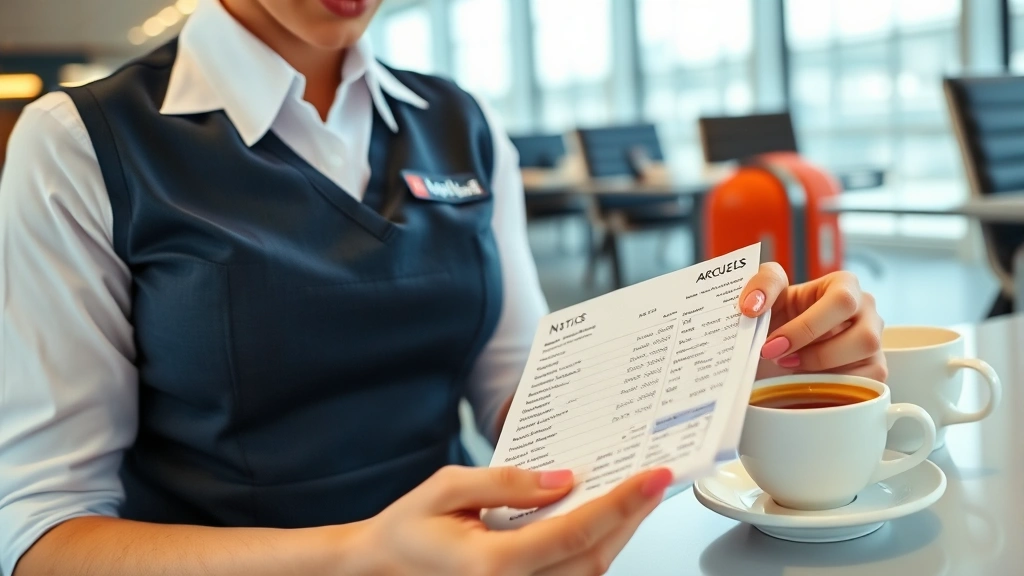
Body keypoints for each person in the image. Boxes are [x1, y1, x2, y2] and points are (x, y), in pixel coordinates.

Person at [0, 0, 886, 574]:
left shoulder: (457, 120)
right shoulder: (82, 144)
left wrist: (733, 375)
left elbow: (524, 400)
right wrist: (360, 556)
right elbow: (42, 534)